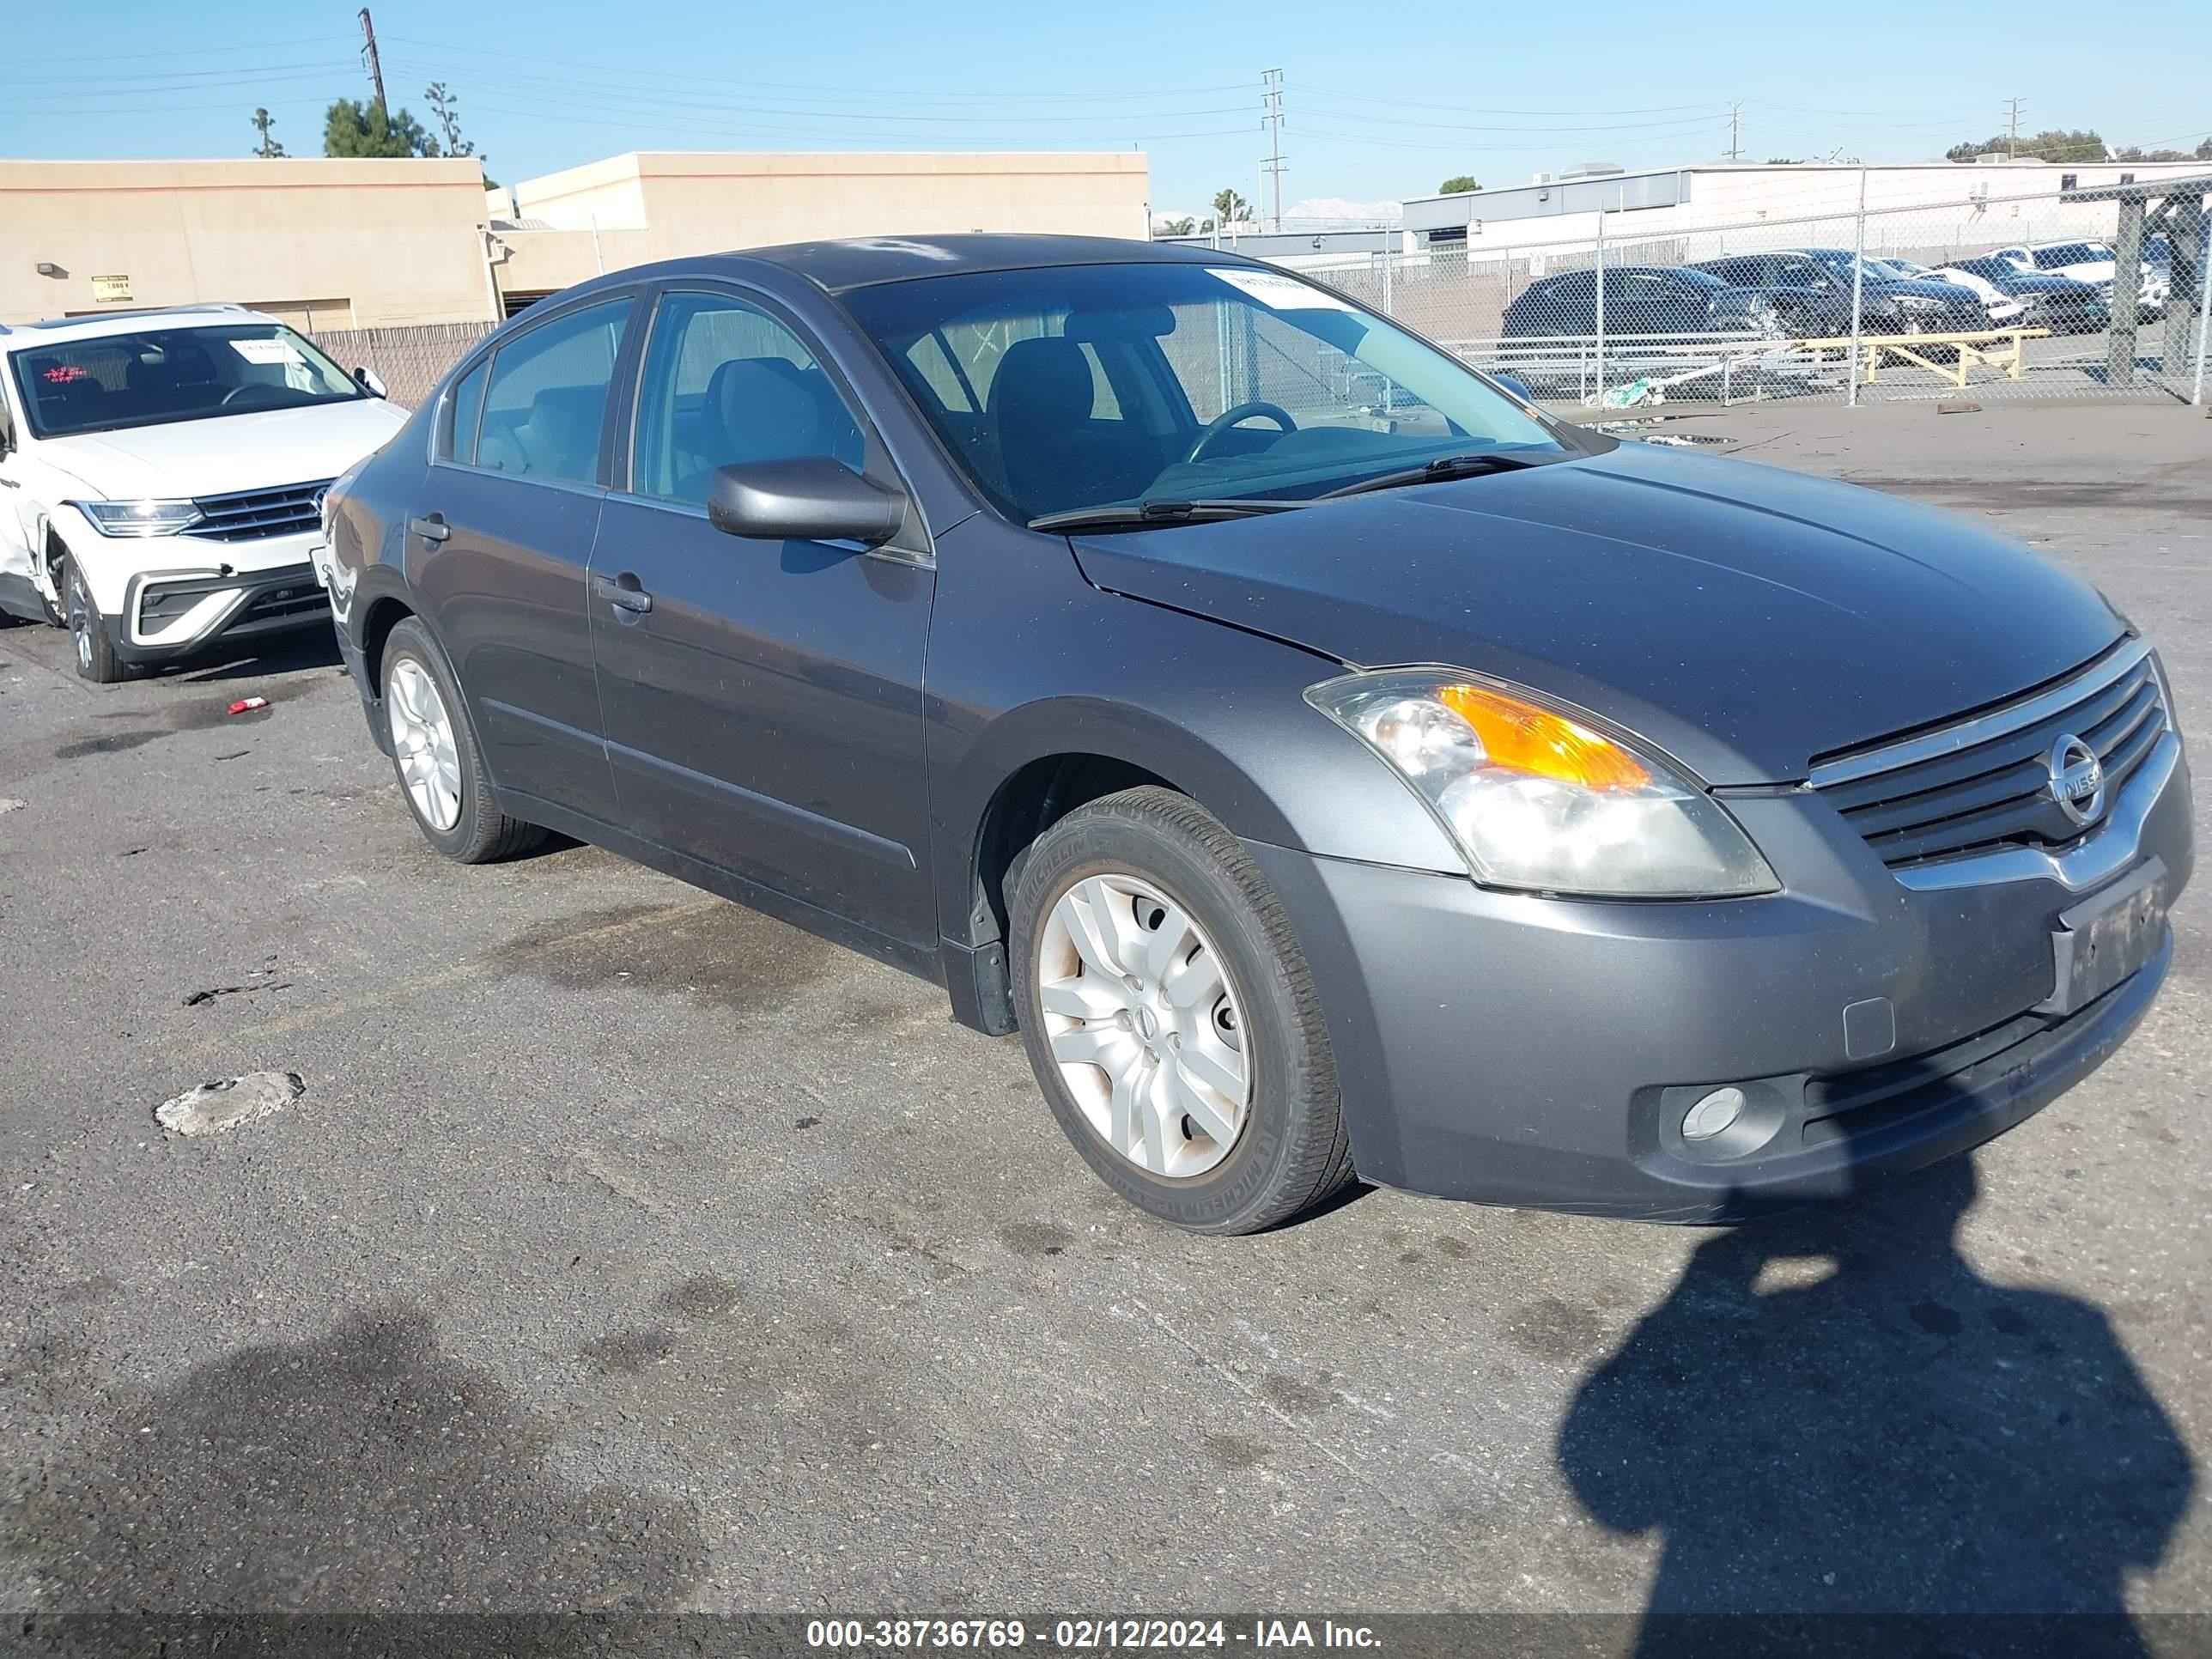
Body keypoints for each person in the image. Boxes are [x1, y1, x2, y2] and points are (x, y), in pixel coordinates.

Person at [1559, 1157, 2191, 1658]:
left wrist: (1721, 1262)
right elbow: (2152, 1500)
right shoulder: (2071, 1325)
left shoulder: (1772, 1325)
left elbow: (1614, 1497)